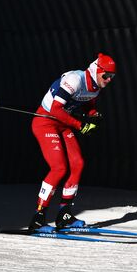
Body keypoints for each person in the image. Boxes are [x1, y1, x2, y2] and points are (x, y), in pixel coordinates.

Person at [28, 53, 116, 232]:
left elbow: (88, 103)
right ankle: (38, 216)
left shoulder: (96, 85)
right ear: (97, 70)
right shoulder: (75, 80)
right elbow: (55, 109)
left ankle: (64, 214)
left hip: (62, 123)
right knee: (59, 168)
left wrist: (93, 116)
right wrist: (80, 125)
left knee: (78, 164)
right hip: (46, 122)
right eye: (106, 75)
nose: (108, 80)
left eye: (112, 77)